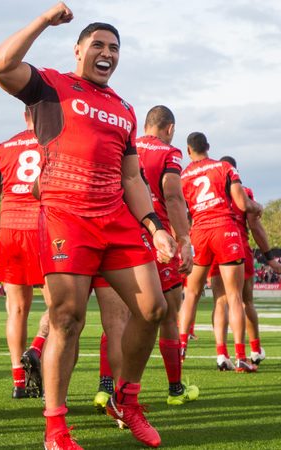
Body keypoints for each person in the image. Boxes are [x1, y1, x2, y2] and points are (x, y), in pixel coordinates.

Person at [0, 4, 176, 448]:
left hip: (117, 221)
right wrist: (42, 22)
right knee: (67, 319)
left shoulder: (125, 108)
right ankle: (56, 428)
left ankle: (126, 400)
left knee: (153, 310)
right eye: (98, 45)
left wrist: (154, 226)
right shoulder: (52, 85)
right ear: (77, 50)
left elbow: (132, 177)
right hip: (66, 219)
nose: (107, 53)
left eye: (114, 48)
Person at [92, 105, 198, 410]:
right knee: (167, 317)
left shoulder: (128, 145)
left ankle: (105, 388)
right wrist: (184, 239)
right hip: (157, 238)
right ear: (169, 128)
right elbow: (174, 196)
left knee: (115, 318)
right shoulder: (169, 152)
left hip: (120, 236)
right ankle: (175, 389)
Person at [0, 109, 50, 399]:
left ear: (24, 117)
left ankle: (19, 381)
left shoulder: (1, 149)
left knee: (16, 309)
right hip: (44, 231)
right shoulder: (52, 143)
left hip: (9, 232)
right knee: (61, 307)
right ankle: (38, 347)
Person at [178, 132, 263, 372]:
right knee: (234, 297)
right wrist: (258, 207)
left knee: (191, 294)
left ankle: (179, 351)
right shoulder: (224, 167)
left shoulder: (183, 175)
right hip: (224, 229)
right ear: (208, 147)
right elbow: (242, 204)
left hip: (199, 232)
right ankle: (241, 357)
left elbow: (182, 212)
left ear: (188, 150)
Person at [209, 156, 281, 371]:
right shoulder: (243, 192)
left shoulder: (206, 192)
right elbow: (256, 228)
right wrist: (269, 256)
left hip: (213, 246)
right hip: (237, 247)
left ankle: (222, 354)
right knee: (244, 301)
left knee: (220, 301)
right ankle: (251, 351)